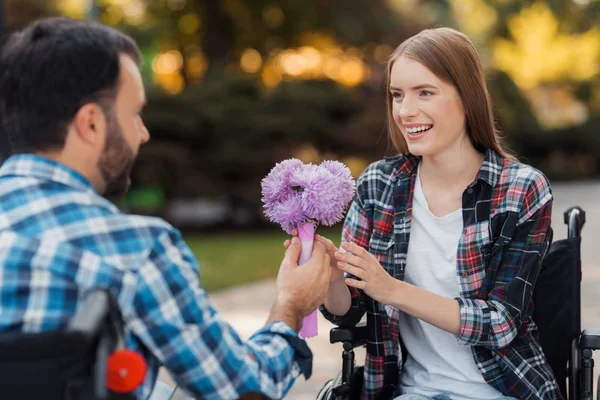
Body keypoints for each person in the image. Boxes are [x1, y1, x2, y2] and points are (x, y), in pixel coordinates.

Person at [0, 17, 333, 400]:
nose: (143, 133)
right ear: (90, 124)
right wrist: (290, 307)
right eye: (134, 114)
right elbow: (241, 391)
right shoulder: (135, 251)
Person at [317, 27, 560, 400]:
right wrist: (333, 277)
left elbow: (500, 324)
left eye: (424, 93)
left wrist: (392, 290)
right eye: (397, 95)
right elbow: (347, 313)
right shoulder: (378, 184)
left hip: (503, 390)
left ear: (467, 97)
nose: (405, 111)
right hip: (409, 392)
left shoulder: (520, 189)